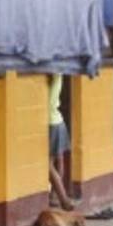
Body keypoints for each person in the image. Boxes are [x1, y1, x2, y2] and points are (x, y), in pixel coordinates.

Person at [47, 74, 76, 211]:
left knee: (48, 164)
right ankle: (54, 196)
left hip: (51, 122)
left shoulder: (53, 74)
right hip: (59, 120)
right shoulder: (59, 74)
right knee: (60, 160)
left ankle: (63, 198)